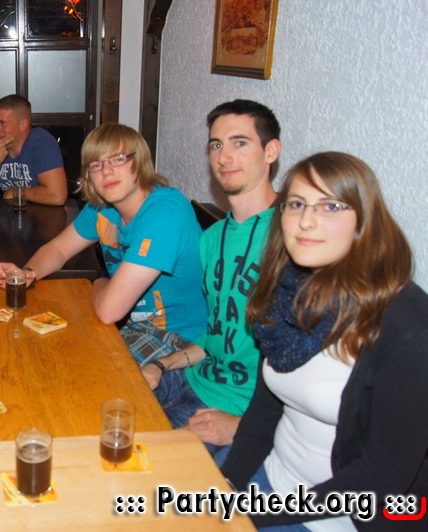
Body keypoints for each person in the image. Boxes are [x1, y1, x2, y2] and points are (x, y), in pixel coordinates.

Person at [221, 152, 428, 530]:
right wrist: (226, 486)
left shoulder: (408, 326)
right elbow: (264, 411)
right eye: (296, 204)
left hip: (336, 517)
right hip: (270, 480)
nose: (306, 220)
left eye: (330, 206)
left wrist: (252, 515)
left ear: (364, 221)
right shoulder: (286, 289)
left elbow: (382, 477)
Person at [0, 123, 206, 366]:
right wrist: (27, 273)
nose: (106, 172)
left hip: (179, 342)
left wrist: (100, 282)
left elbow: (109, 310)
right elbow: (58, 250)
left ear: (140, 162)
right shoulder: (103, 208)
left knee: (66, 368)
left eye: (118, 159)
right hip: (132, 327)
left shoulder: (165, 213)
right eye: (96, 164)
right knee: (36, 352)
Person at [141, 100, 282, 456]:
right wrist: (160, 364)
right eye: (216, 145)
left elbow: (317, 373)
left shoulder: (294, 237)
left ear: (271, 151)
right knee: (102, 419)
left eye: (240, 143)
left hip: (240, 411)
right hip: (192, 380)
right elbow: (219, 333)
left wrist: (244, 427)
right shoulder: (212, 238)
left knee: (151, 474)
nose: (224, 156)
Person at [0, 94, 67, 206]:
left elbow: (57, 196)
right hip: (10, 213)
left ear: (23, 124)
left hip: (43, 214)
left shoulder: (42, 143)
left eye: (2, 123)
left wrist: (17, 192)